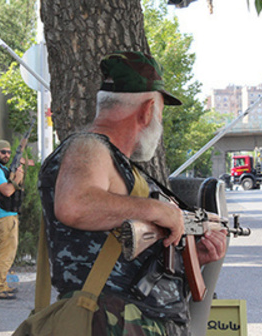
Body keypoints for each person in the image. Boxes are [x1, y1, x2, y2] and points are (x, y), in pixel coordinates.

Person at [38, 51, 228, 335]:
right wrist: (158, 210)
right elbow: (74, 205)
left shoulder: (118, 164)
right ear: (148, 110)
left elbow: (124, 256)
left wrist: (194, 256)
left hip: (128, 321)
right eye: (161, 113)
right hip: (111, 321)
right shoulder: (88, 147)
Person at [0, 140, 24, 300]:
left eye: (9, 152)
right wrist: (18, 178)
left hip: (8, 215)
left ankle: (3, 284)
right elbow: (8, 191)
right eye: (3, 152)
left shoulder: (1, 169)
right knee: (5, 253)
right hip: (3, 217)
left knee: (9, 252)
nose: (7, 155)